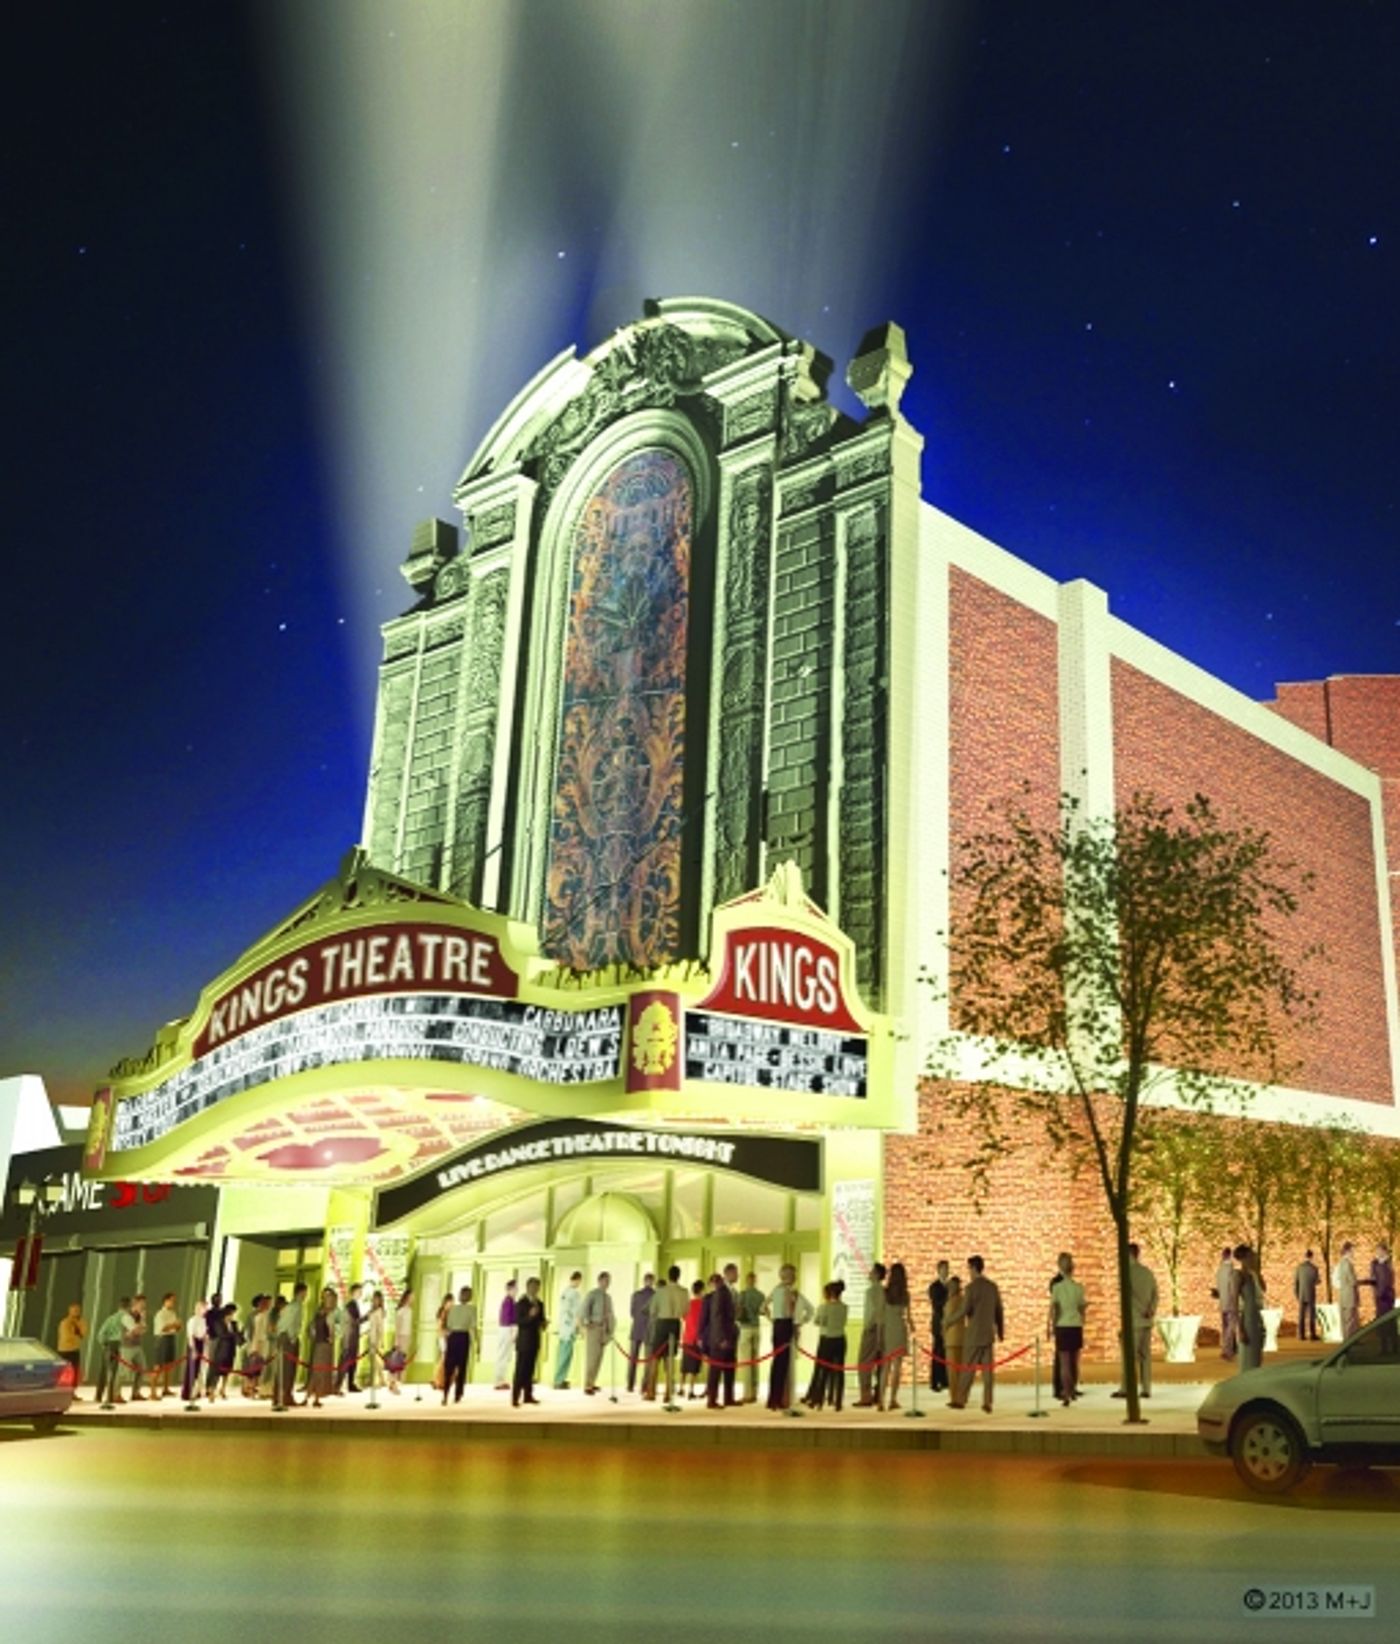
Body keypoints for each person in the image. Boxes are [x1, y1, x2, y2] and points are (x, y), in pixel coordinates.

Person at [951, 1255, 1003, 1413]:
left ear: (974, 1268)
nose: (968, 1272)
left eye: (969, 1268)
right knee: (987, 1372)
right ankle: (987, 1401)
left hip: (973, 1334)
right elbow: (999, 1310)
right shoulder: (992, 1287)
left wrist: (949, 1321)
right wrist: (1000, 1330)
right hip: (987, 1335)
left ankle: (961, 1399)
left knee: (968, 1368)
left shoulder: (971, 1288)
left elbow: (964, 1310)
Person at [764, 1263, 813, 1411]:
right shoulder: (790, 1291)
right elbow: (792, 1311)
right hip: (786, 1325)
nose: (795, 1277)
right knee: (782, 1365)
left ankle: (773, 1399)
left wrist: (771, 1319)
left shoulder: (775, 1290)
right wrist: (797, 1323)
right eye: (793, 1274)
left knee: (776, 1364)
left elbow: (763, 1307)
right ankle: (778, 1399)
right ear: (788, 1276)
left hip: (777, 1326)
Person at [1112, 1243, 1159, 1397]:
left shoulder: (1126, 1273)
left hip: (1133, 1320)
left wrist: (1140, 1311)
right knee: (1145, 1356)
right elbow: (1155, 1295)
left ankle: (1126, 1388)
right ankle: (1146, 1388)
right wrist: (1150, 1310)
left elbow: (1128, 1298)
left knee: (1129, 1356)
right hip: (1147, 1321)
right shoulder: (1148, 1273)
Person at [642, 1266, 687, 1403]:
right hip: (675, 1324)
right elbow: (686, 1311)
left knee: (655, 1358)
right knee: (669, 1360)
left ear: (668, 1276)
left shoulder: (661, 1291)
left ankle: (651, 1392)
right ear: (679, 1276)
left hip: (662, 1323)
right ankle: (668, 1393)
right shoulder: (684, 1292)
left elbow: (652, 1310)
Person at [1048, 1253, 1086, 1405]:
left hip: (1062, 1326)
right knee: (1074, 1362)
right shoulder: (1079, 1288)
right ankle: (1073, 1389)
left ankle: (1065, 1393)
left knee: (1063, 1362)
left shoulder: (1056, 1288)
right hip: (1075, 1326)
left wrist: (1052, 1326)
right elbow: (1082, 1308)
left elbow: (1054, 1309)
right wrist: (1082, 1321)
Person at [804, 1281, 849, 1410]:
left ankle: (819, 1400)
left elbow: (819, 1322)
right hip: (840, 1339)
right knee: (839, 1371)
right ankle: (838, 1401)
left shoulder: (824, 1307)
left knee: (822, 1370)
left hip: (826, 1339)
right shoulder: (845, 1307)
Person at [878, 1262, 912, 1411]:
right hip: (899, 1329)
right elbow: (908, 1317)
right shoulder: (905, 1294)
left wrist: (879, 1334)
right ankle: (893, 1399)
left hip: (888, 1329)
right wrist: (912, 1328)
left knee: (885, 1366)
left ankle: (880, 1400)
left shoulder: (885, 1293)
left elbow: (880, 1315)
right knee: (897, 1367)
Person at [702, 1272, 738, 1409]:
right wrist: (721, 1338)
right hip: (721, 1338)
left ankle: (728, 1397)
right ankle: (712, 1400)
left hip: (727, 1336)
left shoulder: (724, 1293)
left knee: (729, 1368)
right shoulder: (720, 1294)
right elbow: (717, 1318)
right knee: (716, 1370)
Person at [854, 1262, 887, 1407]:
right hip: (882, 1328)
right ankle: (879, 1393)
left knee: (864, 1362)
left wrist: (869, 1326)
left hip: (871, 1328)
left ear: (878, 1275)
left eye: (873, 1271)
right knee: (879, 1362)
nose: (870, 1273)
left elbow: (875, 1311)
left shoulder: (872, 1291)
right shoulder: (884, 1291)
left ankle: (865, 1395)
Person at [512, 1277, 546, 1406]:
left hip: (534, 1340)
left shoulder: (540, 1303)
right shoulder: (521, 1303)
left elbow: (541, 1319)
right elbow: (519, 1321)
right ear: (527, 1287)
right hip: (524, 1341)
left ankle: (528, 1395)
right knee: (520, 1370)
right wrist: (530, 1316)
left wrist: (543, 1323)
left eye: (537, 1287)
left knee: (530, 1370)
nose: (535, 1290)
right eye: (533, 1287)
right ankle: (515, 1397)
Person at [580, 1272, 614, 1394]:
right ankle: (587, 1385)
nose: (607, 1283)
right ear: (599, 1281)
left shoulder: (608, 1297)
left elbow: (610, 1314)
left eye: (608, 1281)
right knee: (592, 1358)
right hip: (594, 1328)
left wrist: (611, 1330)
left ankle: (592, 1382)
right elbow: (584, 1309)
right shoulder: (592, 1294)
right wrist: (587, 1323)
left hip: (604, 1329)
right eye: (605, 1280)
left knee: (599, 1358)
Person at [442, 1285, 476, 1405]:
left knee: (449, 1367)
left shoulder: (452, 1309)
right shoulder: (472, 1309)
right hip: (463, 1337)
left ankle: (445, 1393)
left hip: (453, 1337)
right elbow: (472, 1327)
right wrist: (476, 1343)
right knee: (462, 1367)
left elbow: (448, 1325)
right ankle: (458, 1393)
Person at [734, 1272, 765, 1403]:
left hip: (745, 1328)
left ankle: (747, 1394)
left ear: (747, 1281)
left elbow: (737, 1311)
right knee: (755, 1360)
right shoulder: (760, 1295)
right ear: (755, 1280)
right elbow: (762, 1311)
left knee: (746, 1362)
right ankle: (755, 1391)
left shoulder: (742, 1295)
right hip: (757, 1328)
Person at [1235, 1244, 1265, 1374]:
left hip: (1256, 1316)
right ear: (1244, 1258)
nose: (1253, 1258)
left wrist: (1257, 1272)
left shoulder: (1253, 1275)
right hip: (1246, 1318)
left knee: (1257, 1353)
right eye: (1251, 1256)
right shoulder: (1239, 1276)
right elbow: (1235, 1302)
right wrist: (1240, 1329)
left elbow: (1263, 1289)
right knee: (1248, 1354)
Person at [93, 1298, 130, 1405]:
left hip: (107, 1345)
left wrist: (104, 1344)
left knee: (103, 1372)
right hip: (116, 1345)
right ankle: (109, 1398)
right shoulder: (125, 1317)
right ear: (127, 1307)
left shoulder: (111, 1318)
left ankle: (98, 1396)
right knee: (113, 1372)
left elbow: (100, 1334)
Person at [278, 1282, 308, 1408]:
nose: (306, 1295)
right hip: (288, 1339)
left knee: (289, 1369)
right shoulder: (294, 1307)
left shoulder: (295, 1306)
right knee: (287, 1369)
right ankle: (284, 1396)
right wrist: (292, 1338)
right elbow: (289, 1323)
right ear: (300, 1292)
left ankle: (284, 1395)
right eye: (305, 1292)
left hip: (289, 1337)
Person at [553, 1270, 584, 1389]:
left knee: (563, 1354)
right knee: (565, 1355)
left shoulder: (565, 1292)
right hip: (569, 1328)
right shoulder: (574, 1294)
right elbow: (575, 1312)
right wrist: (579, 1327)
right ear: (577, 1280)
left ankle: (560, 1378)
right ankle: (559, 1380)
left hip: (563, 1328)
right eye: (579, 1281)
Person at [307, 1289, 336, 1408]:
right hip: (321, 1344)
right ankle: (313, 1395)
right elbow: (312, 1327)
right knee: (318, 1370)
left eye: (329, 1297)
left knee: (320, 1371)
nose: (327, 1300)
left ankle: (316, 1395)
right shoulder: (320, 1313)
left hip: (324, 1344)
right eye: (325, 1297)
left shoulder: (329, 1313)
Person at [627, 1272, 655, 1394]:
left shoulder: (636, 1295)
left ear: (644, 1281)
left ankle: (630, 1384)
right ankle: (645, 1385)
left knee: (633, 1358)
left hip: (636, 1328)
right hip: (649, 1330)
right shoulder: (655, 1295)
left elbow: (632, 1313)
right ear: (652, 1281)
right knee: (648, 1359)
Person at [680, 1279, 706, 1399]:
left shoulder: (687, 1304)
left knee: (685, 1366)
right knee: (694, 1367)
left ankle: (681, 1388)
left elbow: (684, 1317)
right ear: (702, 1290)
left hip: (687, 1338)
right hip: (697, 1339)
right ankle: (690, 1390)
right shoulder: (704, 1305)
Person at [928, 1260, 950, 1394]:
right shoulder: (934, 1287)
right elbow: (936, 1305)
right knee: (937, 1351)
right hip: (938, 1322)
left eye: (947, 1269)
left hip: (949, 1323)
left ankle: (945, 1380)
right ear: (938, 1270)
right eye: (943, 1269)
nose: (945, 1271)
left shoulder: (949, 1285)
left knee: (946, 1353)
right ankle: (935, 1381)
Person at [336, 1284, 363, 1393]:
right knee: (348, 1360)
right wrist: (368, 1316)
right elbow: (356, 1321)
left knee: (351, 1361)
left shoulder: (352, 1304)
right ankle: (341, 1384)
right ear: (354, 1292)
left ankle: (348, 1383)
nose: (361, 1293)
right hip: (350, 1337)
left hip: (352, 1336)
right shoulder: (351, 1305)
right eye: (360, 1291)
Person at [942, 1275, 966, 1395]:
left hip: (952, 1338)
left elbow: (947, 1320)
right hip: (962, 1337)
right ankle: (961, 1395)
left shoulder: (952, 1301)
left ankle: (955, 1396)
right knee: (960, 1368)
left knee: (952, 1370)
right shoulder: (963, 1299)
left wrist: (943, 1330)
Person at [1213, 1246, 1238, 1360]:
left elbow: (1218, 1289)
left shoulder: (1219, 1271)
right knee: (1230, 1327)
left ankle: (1232, 1348)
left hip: (1222, 1302)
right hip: (1231, 1302)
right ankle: (1227, 1351)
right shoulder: (1232, 1271)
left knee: (1225, 1327)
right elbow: (1233, 1288)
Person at [56, 1301, 86, 1398]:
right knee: (64, 1372)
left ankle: (72, 1392)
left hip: (75, 1350)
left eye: (78, 1310)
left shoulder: (81, 1322)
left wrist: (77, 1333)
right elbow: (67, 1337)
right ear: (69, 1311)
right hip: (64, 1350)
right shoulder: (65, 1322)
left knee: (75, 1372)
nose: (76, 1312)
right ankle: (61, 1392)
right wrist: (76, 1335)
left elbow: (84, 1334)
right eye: (74, 1310)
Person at [388, 1286, 414, 1394]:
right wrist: (397, 1341)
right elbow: (398, 1326)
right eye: (412, 1296)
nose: (414, 1298)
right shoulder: (401, 1310)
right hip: (401, 1336)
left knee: (401, 1362)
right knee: (397, 1362)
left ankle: (395, 1383)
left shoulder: (409, 1310)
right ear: (407, 1297)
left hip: (406, 1336)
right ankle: (392, 1383)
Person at [245, 1294, 271, 1398]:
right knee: (253, 1367)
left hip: (263, 1344)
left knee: (259, 1368)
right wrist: (254, 1345)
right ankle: (250, 1389)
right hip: (255, 1344)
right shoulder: (255, 1316)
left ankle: (255, 1388)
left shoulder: (266, 1315)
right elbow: (252, 1332)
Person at [494, 1279, 518, 1391]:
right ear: (510, 1289)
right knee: (503, 1355)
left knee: (505, 1355)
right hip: (506, 1329)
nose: (516, 1291)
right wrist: (513, 1330)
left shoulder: (511, 1301)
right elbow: (508, 1318)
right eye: (515, 1289)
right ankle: (498, 1380)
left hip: (507, 1329)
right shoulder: (508, 1301)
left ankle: (501, 1379)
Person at [124, 1294, 149, 1401]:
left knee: (142, 1369)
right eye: (142, 1303)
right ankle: (116, 1394)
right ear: (136, 1303)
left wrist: (141, 1322)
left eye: (144, 1303)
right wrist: (138, 1329)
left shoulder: (140, 1316)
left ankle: (136, 1393)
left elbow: (143, 1330)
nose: (144, 1306)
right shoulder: (127, 1315)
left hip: (137, 1345)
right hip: (126, 1346)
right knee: (122, 1372)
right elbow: (135, 1330)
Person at [1360, 1244, 1395, 1320]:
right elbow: (1373, 1279)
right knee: (1381, 1317)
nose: (1378, 1253)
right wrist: (1362, 1282)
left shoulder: (1388, 1263)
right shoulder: (1375, 1263)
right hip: (1379, 1295)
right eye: (1377, 1251)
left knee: (1388, 1318)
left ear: (1384, 1252)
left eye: (1380, 1251)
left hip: (1387, 1296)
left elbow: (1388, 1280)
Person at [182, 1299, 208, 1403]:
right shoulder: (193, 1320)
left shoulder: (203, 1320)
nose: (205, 1310)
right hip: (194, 1343)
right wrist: (193, 1349)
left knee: (197, 1370)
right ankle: (186, 1393)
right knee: (191, 1369)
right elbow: (191, 1336)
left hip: (201, 1342)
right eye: (204, 1307)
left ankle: (195, 1390)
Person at [1293, 1249, 1320, 1342]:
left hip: (1301, 1294)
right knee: (1311, 1315)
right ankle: (1312, 1334)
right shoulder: (1314, 1268)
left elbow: (1296, 1282)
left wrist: (1297, 1293)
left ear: (1305, 1256)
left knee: (1301, 1315)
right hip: (1311, 1293)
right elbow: (1317, 1281)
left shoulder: (1299, 1268)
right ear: (1312, 1257)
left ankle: (1301, 1334)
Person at [1334, 1242, 1360, 1339]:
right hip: (1350, 1296)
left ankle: (1346, 1341)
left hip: (1342, 1295)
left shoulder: (1339, 1264)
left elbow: (1336, 1281)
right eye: (1353, 1251)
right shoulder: (1348, 1264)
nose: (1354, 1253)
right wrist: (1360, 1282)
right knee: (1350, 1320)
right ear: (1348, 1251)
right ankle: (1350, 1342)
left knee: (1344, 1320)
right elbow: (1353, 1281)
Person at [365, 1290, 387, 1391]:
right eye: (374, 1298)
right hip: (370, 1336)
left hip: (376, 1338)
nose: (375, 1300)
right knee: (372, 1359)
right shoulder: (372, 1311)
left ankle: (379, 1379)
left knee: (376, 1360)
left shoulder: (379, 1311)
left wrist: (381, 1340)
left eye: (377, 1299)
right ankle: (376, 1379)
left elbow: (380, 1327)